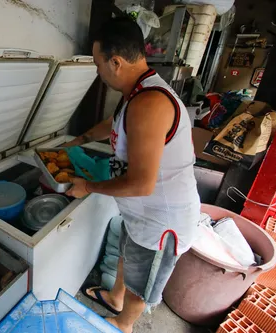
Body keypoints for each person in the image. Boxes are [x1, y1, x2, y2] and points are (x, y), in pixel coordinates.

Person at [64, 17, 200, 333]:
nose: (99, 73)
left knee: (143, 279)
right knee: (128, 254)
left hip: (162, 218)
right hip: (141, 211)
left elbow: (141, 183)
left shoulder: (150, 103)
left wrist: (88, 186)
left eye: (99, 65)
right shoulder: (136, 92)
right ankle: (114, 298)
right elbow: (115, 122)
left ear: (116, 62)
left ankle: (123, 323)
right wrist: (81, 139)